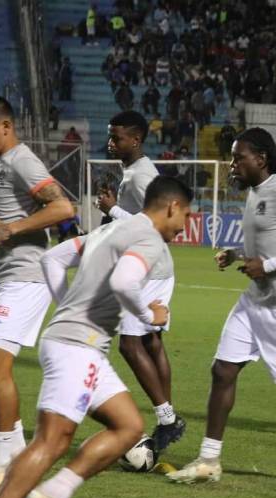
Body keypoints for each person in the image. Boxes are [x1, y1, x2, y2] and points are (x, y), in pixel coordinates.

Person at [0, 176, 191, 498]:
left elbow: (52, 259)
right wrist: (149, 315)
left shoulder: (114, 227)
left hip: (79, 343)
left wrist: (67, 305)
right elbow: (123, 281)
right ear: (171, 206)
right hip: (76, 347)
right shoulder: (148, 238)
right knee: (52, 441)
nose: (184, 225)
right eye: (185, 215)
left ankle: (56, 491)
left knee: (129, 425)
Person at [167, 128, 276, 486]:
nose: (232, 164)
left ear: (261, 158)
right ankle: (210, 459)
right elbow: (268, 245)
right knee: (222, 370)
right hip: (254, 301)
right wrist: (237, 253)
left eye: (238, 157)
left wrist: (267, 266)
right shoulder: (255, 193)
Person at [0, 96, 74, 498]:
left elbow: (62, 206)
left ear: (4, 126)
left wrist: (12, 229)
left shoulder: (23, 160)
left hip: (27, 276)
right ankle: (16, 451)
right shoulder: (0, 165)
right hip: (6, 276)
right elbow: (6, 212)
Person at [96, 110, 185, 451]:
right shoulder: (132, 172)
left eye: (116, 137)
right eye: (109, 135)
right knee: (150, 343)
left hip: (149, 269)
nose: (111, 142)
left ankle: (167, 418)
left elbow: (162, 217)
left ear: (135, 139)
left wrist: (113, 209)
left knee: (129, 345)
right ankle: (168, 417)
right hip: (154, 267)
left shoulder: (141, 175)